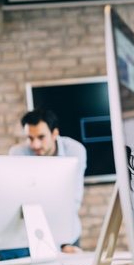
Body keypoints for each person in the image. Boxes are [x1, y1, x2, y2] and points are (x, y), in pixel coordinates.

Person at [9, 108, 86, 252]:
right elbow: (18, 198)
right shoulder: (18, 153)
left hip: (66, 234)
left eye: (41, 137)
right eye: (30, 138)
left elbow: (73, 199)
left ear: (55, 134)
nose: (35, 145)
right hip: (31, 235)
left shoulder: (74, 151)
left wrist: (61, 243)